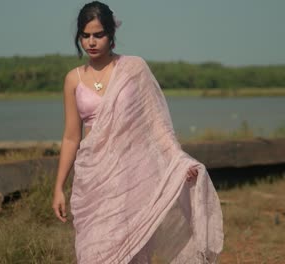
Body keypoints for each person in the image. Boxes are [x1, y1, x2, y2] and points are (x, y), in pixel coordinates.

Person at [52, 1, 223, 263]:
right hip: (93, 178)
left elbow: (157, 124)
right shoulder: (72, 79)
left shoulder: (133, 69)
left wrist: (177, 161)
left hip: (131, 175)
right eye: (85, 36)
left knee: (130, 248)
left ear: (111, 35)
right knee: (92, 250)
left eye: (99, 34)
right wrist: (58, 187)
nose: (91, 42)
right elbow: (71, 136)